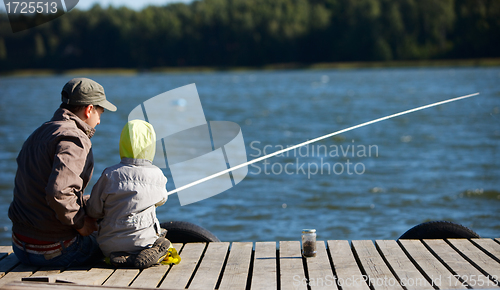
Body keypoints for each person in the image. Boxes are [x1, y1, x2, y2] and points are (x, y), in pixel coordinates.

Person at [8, 77, 117, 267]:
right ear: (89, 109)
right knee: (114, 244)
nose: (99, 121)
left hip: (20, 246)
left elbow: (42, 191)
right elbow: (59, 192)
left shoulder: (40, 132)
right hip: (54, 250)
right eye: (101, 112)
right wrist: (81, 224)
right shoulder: (75, 139)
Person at [86, 120, 171, 268]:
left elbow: (94, 210)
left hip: (109, 244)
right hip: (143, 241)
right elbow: (162, 199)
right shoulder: (157, 175)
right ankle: (154, 251)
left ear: (123, 144)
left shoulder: (109, 174)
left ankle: (121, 255)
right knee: (161, 238)